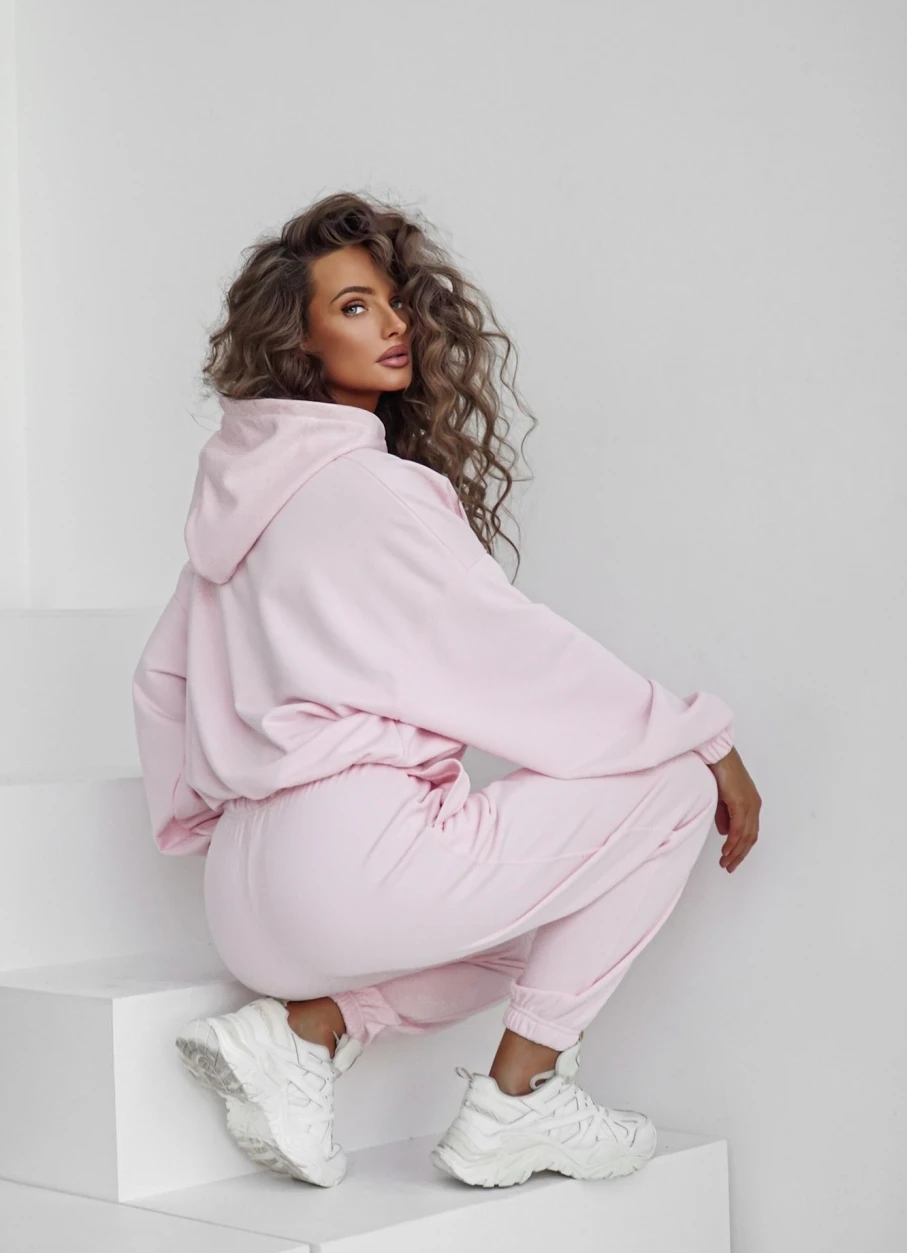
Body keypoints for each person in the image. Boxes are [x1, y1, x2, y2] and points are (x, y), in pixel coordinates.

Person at [132, 190, 762, 1192]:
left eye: (393, 303)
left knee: (572, 894)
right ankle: (519, 1101)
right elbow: (510, 653)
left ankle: (310, 1031)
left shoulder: (237, 510)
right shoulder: (372, 490)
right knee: (675, 790)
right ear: (296, 339)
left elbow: (162, 680)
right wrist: (705, 736)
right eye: (353, 307)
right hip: (350, 868)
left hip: (244, 900)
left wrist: (204, 818)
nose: (393, 325)